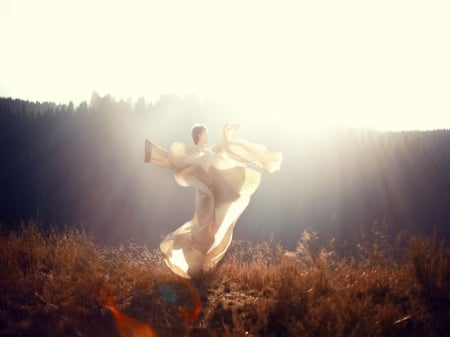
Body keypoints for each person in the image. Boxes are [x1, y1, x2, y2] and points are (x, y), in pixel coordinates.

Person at [145, 123, 282, 278]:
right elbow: (183, 162)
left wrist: (226, 135)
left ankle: (198, 268)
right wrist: (160, 156)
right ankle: (194, 268)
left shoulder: (208, 151)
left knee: (213, 229)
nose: (207, 136)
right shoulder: (195, 153)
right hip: (204, 197)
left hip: (214, 196)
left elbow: (226, 152)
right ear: (198, 136)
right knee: (203, 230)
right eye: (205, 133)